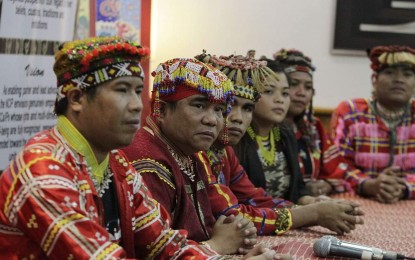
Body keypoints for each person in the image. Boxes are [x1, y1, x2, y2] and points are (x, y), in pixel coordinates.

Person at [0, 36, 274, 259]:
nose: (136, 105)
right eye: (122, 90)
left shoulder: (116, 165)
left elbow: (166, 247)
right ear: (76, 98)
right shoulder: (43, 170)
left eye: (137, 91)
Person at [198, 53, 364, 236]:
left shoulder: (224, 151)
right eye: (227, 107)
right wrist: (313, 213)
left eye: (247, 108)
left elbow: (255, 198)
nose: (237, 118)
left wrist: (316, 208)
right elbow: (233, 215)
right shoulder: (200, 152)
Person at [122, 58, 258, 255]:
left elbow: (205, 230)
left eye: (219, 110)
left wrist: (235, 231)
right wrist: (218, 245)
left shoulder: (188, 152)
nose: (212, 120)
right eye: (199, 106)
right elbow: (152, 253)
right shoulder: (146, 161)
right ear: (163, 110)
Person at [331, 45, 415, 203]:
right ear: (374, 80)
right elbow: (337, 165)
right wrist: (368, 185)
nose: (399, 79)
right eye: (390, 72)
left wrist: (405, 187)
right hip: (358, 201)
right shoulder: (351, 113)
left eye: (407, 74)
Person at [273, 49, 351, 196]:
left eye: (308, 87)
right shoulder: (265, 128)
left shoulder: (313, 128)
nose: (301, 92)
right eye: (293, 84)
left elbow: (338, 170)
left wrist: (326, 185)